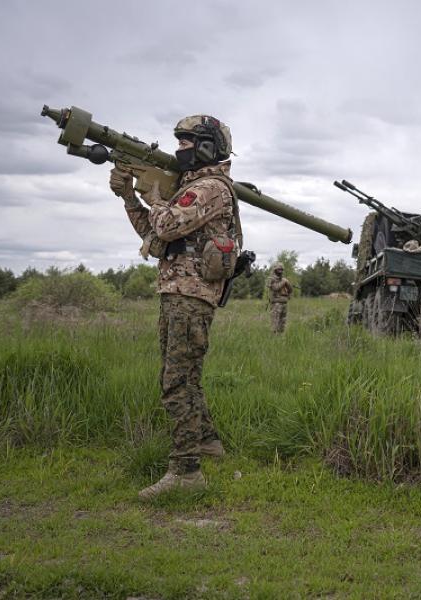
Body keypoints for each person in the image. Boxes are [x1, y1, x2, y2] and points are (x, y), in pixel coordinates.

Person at [109, 115, 241, 500]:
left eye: (187, 141)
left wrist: (151, 195)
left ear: (206, 147)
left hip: (190, 296)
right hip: (178, 292)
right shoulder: (189, 188)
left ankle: (186, 472)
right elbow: (155, 237)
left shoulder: (210, 188)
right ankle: (208, 445)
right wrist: (129, 197)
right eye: (179, 140)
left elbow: (165, 224)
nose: (180, 147)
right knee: (186, 378)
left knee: (176, 383)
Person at [266, 263, 293, 333]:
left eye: (281, 270)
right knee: (275, 322)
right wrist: (284, 281)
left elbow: (290, 290)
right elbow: (275, 288)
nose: (280, 271)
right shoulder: (271, 279)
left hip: (284, 302)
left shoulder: (283, 279)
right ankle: (273, 339)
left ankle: (280, 338)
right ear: (275, 270)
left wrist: (287, 284)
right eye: (279, 269)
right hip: (276, 303)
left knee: (283, 323)